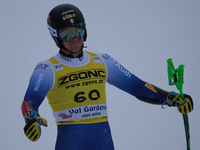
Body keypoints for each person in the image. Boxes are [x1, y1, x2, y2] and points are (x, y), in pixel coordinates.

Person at [21, 4, 194, 150]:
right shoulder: (47, 68)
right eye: (67, 34)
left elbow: (138, 87)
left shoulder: (103, 61)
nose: (75, 39)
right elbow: (30, 101)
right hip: (70, 143)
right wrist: (31, 118)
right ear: (55, 36)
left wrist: (169, 97)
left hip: (104, 143)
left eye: (79, 31)